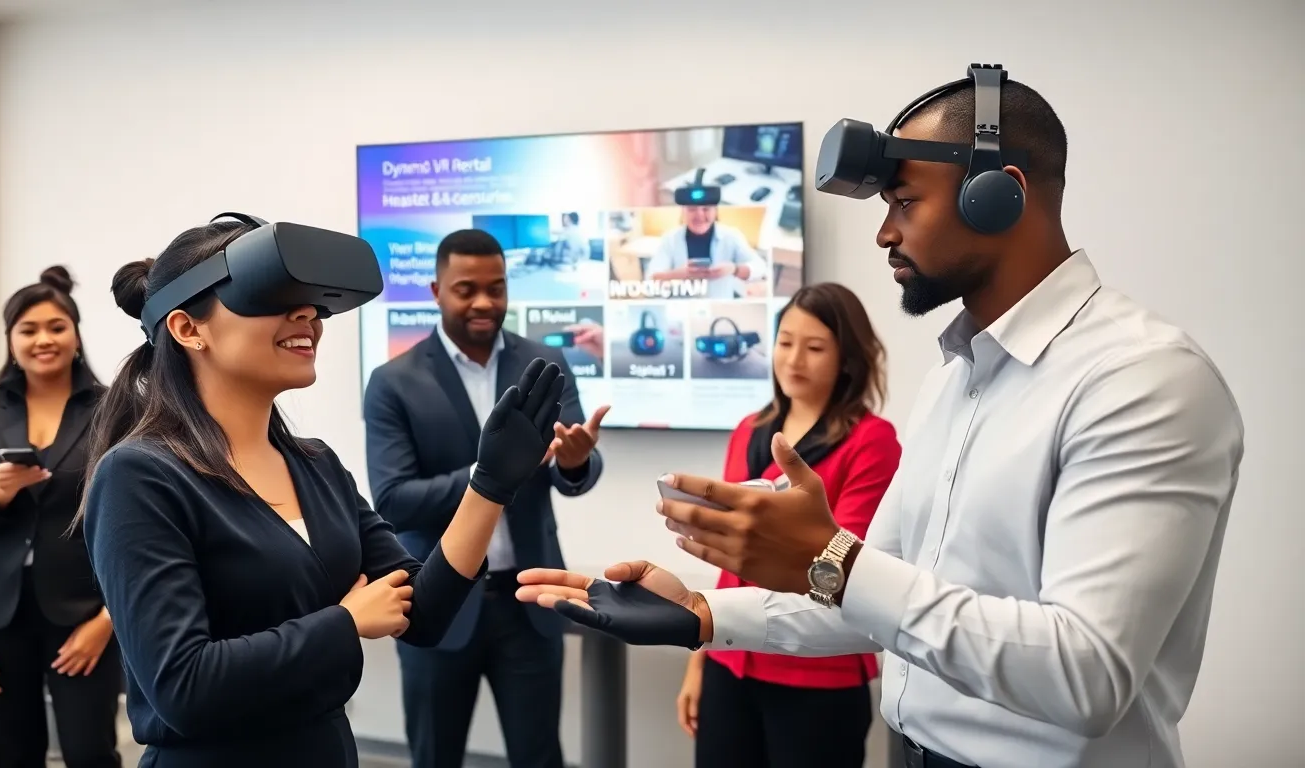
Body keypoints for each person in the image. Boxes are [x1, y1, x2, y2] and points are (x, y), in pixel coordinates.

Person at [513, 72, 1244, 768]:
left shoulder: (1141, 380)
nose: (884, 235)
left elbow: (1085, 675)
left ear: (1000, 196)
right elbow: (868, 601)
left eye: (904, 203)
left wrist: (834, 559)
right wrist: (703, 613)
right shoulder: (955, 381)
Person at [77, 215, 567, 767]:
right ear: (189, 329)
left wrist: (491, 483)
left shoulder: (316, 466)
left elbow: (424, 614)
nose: (307, 315)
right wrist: (346, 623)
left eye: (311, 302)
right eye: (273, 296)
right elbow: (184, 687)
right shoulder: (141, 476)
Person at [363, 228, 607, 768]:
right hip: (437, 605)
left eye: (496, 288)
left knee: (540, 756)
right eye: (466, 288)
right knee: (435, 755)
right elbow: (394, 499)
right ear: (435, 290)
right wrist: (488, 474)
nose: (483, 302)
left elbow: (576, 470)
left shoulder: (544, 363)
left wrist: (574, 461)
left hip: (532, 601)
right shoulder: (393, 382)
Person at [677, 282, 899, 768]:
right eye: (785, 342)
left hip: (818, 674)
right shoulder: (749, 430)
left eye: (815, 347)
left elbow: (847, 564)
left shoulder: (872, 441)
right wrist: (700, 657)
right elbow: (730, 561)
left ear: (847, 358)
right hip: (728, 661)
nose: (795, 358)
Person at [0, 266, 122, 768]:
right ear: (11, 340)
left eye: (57, 326)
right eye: (28, 330)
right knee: (4, 756)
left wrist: (108, 620)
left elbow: (138, 527)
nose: (43, 339)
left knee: (90, 752)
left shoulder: (116, 410)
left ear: (76, 335)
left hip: (85, 614)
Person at [647, 204, 767, 298]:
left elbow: (760, 268)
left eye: (706, 208)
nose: (699, 215)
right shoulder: (670, 238)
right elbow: (651, 278)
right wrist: (677, 274)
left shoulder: (731, 236)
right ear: (683, 211)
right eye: (692, 209)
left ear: (715, 211)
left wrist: (734, 269)